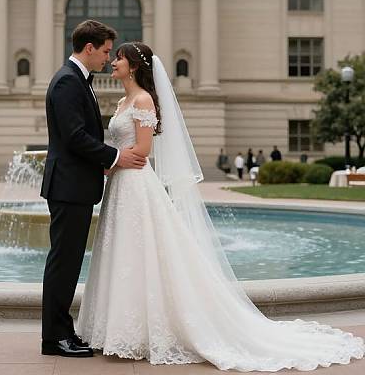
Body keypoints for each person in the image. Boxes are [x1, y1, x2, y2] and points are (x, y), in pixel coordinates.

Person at [77, 42, 365, 370]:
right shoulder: (123, 101)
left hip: (135, 184)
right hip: (119, 186)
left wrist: (111, 162)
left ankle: (140, 332)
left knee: (138, 252)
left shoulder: (142, 100)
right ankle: (117, 329)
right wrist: (106, 162)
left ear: (134, 65)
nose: (113, 62)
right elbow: (118, 146)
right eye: (113, 57)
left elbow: (142, 150)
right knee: (122, 252)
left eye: (119, 58)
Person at [40, 20, 147, 358]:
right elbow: (74, 137)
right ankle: (55, 337)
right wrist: (116, 156)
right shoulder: (68, 82)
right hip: (69, 187)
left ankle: (62, 331)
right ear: (89, 48)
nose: (106, 58)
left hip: (75, 184)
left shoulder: (74, 80)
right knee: (64, 262)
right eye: (104, 51)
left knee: (69, 262)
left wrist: (104, 161)